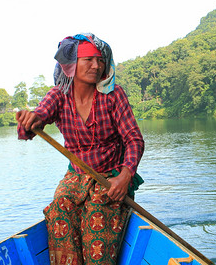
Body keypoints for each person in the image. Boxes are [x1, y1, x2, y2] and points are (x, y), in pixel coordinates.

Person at [16, 33, 144, 265]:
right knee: (59, 208)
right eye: (88, 60)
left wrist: (125, 176)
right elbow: (37, 121)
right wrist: (29, 121)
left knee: (97, 220)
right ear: (71, 66)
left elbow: (134, 140)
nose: (96, 65)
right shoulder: (58, 96)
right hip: (75, 178)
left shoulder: (113, 95)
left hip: (110, 179)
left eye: (100, 60)